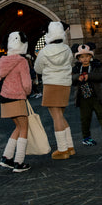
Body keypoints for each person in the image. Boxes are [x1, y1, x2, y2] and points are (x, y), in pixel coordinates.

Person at [34, 21, 75, 160]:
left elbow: (37, 69)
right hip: (65, 84)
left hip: (51, 84)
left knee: (56, 116)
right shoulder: (67, 49)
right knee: (61, 115)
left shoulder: (44, 51)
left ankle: (63, 149)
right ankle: (70, 146)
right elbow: (71, 63)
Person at [0, 32, 33, 173]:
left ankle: (7, 158)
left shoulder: (0, 61)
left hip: (4, 98)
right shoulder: (21, 61)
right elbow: (27, 83)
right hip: (17, 96)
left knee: (17, 127)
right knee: (24, 128)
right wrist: (27, 92)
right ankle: (19, 162)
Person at [71, 43, 102, 147]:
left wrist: (89, 76)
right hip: (82, 98)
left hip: (95, 96)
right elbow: (70, 80)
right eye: (82, 57)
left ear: (91, 56)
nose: (85, 59)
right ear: (78, 58)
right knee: (85, 118)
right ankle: (86, 138)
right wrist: (77, 77)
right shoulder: (76, 68)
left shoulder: (96, 66)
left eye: (87, 56)